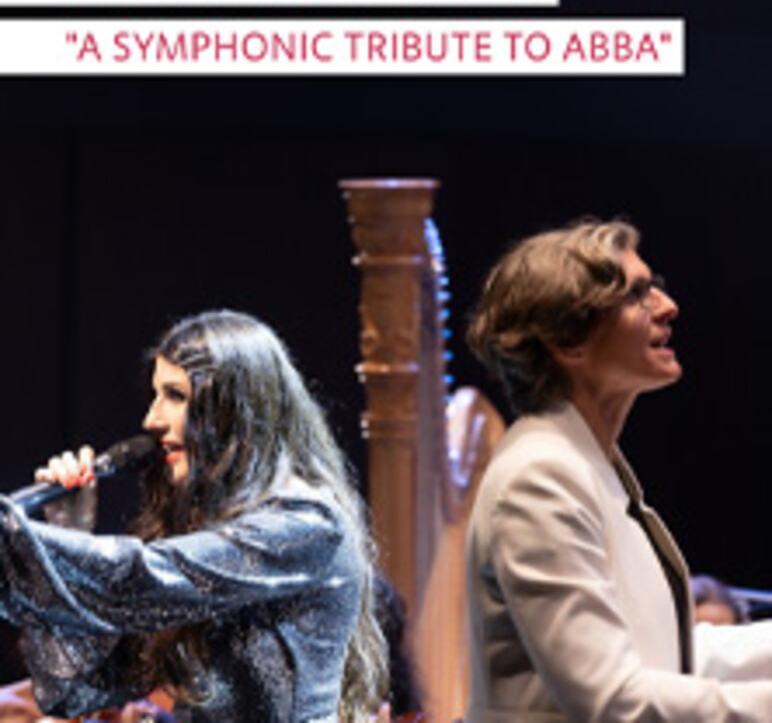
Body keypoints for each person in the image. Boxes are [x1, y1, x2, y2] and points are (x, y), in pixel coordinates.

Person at [0, 310, 388, 722]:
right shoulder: (215, 532)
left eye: (176, 396)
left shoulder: (309, 526)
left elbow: (142, 579)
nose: (152, 420)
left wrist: (11, 539)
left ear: (235, 407)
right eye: (156, 395)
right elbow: (78, 688)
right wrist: (68, 528)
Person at [464, 219, 772, 721]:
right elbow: (613, 699)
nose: (668, 307)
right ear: (567, 341)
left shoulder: (584, 463)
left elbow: (666, 652)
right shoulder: (539, 478)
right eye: (637, 295)